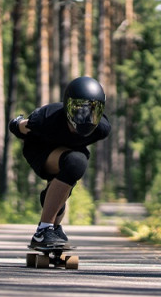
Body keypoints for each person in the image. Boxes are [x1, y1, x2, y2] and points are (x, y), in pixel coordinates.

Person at [9, 76, 111, 249]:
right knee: (75, 162)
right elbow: (18, 127)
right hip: (39, 150)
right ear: (67, 106)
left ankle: (54, 227)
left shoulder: (101, 129)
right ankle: (43, 231)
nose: (84, 117)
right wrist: (17, 122)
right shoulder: (47, 117)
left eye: (92, 111)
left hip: (69, 153)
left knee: (73, 168)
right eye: (78, 109)